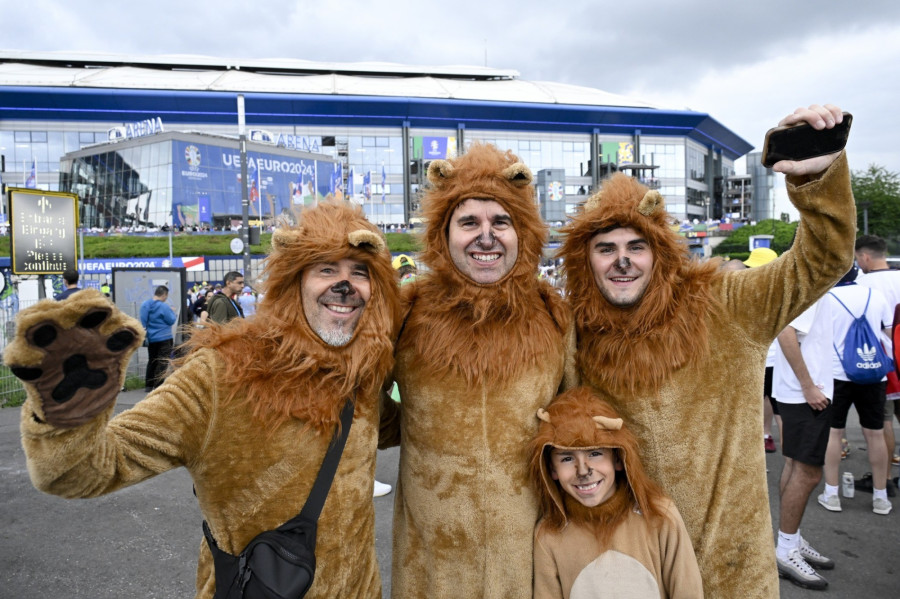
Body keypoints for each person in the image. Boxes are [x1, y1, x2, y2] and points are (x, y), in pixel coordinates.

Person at [5, 200, 400, 598]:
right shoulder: (221, 374)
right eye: (326, 269)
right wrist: (69, 413)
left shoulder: (361, 374)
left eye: (359, 272)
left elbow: (399, 426)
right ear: (292, 282)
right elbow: (80, 471)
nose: (345, 285)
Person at [557, 104, 855, 598]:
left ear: (660, 253)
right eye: (605, 248)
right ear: (584, 261)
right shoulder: (576, 336)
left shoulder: (725, 304)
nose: (622, 260)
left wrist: (815, 179)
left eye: (636, 246)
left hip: (730, 567)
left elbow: (822, 260)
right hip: (633, 567)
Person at [380, 143, 577, 599]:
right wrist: (412, 426)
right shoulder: (408, 312)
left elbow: (577, 415)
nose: (486, 237)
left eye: (500, 222)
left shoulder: (553, 315)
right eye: (469, 222)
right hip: (431, 566)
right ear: (443, 233)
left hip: (529, 563)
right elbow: (364, 403)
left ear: (521, 233)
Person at [530, 387, 702, 599]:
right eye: (567, 458)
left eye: (595, 453)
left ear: (618, 459)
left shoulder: (659, 515)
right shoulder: (549, 536)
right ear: (552, 470)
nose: (583, 471)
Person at [817, 265, 894, 515]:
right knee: (875, 433)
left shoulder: (826, 299)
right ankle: (881, 497)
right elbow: (889, 332)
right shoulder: (875, 296)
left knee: (833, 433)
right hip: (873, 373)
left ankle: (831, 493)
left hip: (836, 374)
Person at [772, 296, 836, 590]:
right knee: (807, 472)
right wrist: (808, 386)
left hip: (802, 393)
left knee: (796, 466)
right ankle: (786, 549)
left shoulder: (813, 284)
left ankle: (791, 540)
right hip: (806, 395)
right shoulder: (814, 285)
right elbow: (786, 331)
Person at [854, 234, 900, 494]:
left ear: (865, 257)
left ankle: (885, 479)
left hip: (881, 360)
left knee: (883, 422)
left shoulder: (863, 283)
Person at [744, 247, 782, 453]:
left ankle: (758, 438)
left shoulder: (745, 291)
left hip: (756, 358)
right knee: (772, 402)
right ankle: (766, 436)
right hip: (775, 359)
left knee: (755, 400)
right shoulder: (782, 290)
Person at [139, 285, 177, 391]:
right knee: (163, 361)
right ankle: (158, 385)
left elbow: (143, 321)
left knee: (152, 360)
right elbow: (171, 320)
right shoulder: (164, 306)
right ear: (164, 295)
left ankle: (149, 385)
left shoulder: (145, 304)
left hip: (152, 338)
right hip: (165, 337)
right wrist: (172, 311)